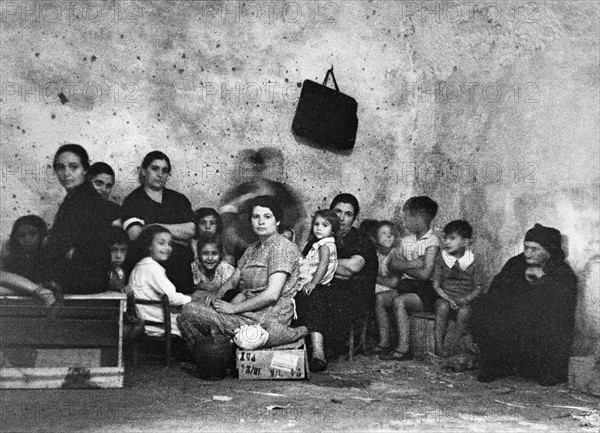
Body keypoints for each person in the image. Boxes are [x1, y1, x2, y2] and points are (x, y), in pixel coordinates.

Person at [177, 195, 308, 353]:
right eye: (255, 217)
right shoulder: (252, 249)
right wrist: (216, 299)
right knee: (190, 310)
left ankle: (221, 355)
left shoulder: (281, 247)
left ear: (277, 221)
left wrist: (233, 309)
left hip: (268, 316)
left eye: (267, 217)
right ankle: (218, 355)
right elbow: (232, 282)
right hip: (246, 311)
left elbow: (272, 295)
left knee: (190, 313)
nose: (261, 222)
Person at [473, 224, 577, 386]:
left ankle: (548, 371)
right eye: (526, 247)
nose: (528, 253)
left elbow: (562, 306)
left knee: (550, 321)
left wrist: (543, 281)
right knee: (483, 306)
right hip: (514, 319)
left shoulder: (562, 272)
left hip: (541, 323)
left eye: (534, 249)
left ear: (548, 251)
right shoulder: (516, 264)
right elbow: (496, 290)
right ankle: (497, 365)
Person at [296, 193, 377, 372]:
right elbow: (303, 265)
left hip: (352, 297)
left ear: (354, 218)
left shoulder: (360, 240)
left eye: (348, 214)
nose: (341, 218)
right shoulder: (318, 237)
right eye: (337, 211)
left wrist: (320, 266)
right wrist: (326, 268)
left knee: (316, 294)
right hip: (324, 289)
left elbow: (352, 269)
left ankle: (318, 353)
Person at [45, 144, 116, 294]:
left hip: (84, 280)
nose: (66, 173)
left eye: (73, 167)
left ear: (85, 170)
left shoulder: (85, 200)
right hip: (84, 277)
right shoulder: (75, 197)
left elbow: (63, 247)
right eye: (60, 167)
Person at [122, 151, 195, 294]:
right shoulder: (133, 201)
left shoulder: (178, 200)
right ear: (144, 171)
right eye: (155, 169)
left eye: (165, 170)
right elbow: (135, 234)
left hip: (181, 274)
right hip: (150, 277)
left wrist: (151, 227)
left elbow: (190, 231)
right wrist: (176, 235)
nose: (160, 174)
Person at [377, 196, 440, 360]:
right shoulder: (406, 241)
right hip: (405, 286)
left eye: (406, 217)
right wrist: (413, 264)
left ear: (419, 216)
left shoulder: (432, 241)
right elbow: (392, 265)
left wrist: (403, 264)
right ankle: (384, 342)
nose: (404, 221)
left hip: (424, 293)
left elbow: (426, 274)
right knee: (380, 299)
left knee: (400, 302)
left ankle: (403, 348)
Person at [128, 225, 192, 338]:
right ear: (148, 246)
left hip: (148, 321)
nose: (167, 248)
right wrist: (191, 299)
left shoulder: (141, 266)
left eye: (169, 244)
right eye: (161, 243)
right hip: (160, 325)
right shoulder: (152, 268)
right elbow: (171, 297)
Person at [432, 220, 484, 358]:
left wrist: (465, 299)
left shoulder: (474, 260)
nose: (447, 242)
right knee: (442, 308)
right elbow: (436, 285)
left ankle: (454, 346)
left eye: (452, 238)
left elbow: (479, 287)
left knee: (465, 312)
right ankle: (439, 347)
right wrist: (448, 299)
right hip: (445, 297)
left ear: (465, 242)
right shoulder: (441, 258)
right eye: (446, 238)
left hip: (464, 300)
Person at [295, 209, 340, 364]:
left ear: (333, 229)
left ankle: (316, 350)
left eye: (324, 225)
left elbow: (323, 265)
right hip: (318, 283)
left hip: (318, 284)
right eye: (316, 224)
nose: (319, 228)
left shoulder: (324, 245)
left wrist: (313, 283)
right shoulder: (323, 244)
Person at [2, 215, 51, 284]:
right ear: (15, 238)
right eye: (22, 235)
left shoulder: (50, 257)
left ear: (42, 234)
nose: (27, 239)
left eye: (32, 234)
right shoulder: (11, 259)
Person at [87, 162, 121, 226]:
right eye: (99, 183)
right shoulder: (73, 208)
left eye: (108, 186)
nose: (104, 189)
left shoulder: (114, 210)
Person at [374, 221, 400, 295]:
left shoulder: (395, 254)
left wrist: (371, 276)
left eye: (391, 233)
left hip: (391, 291)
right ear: (376, 237)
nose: (388, 236)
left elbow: (393, 282)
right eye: (383, 233)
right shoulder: (373, 253)